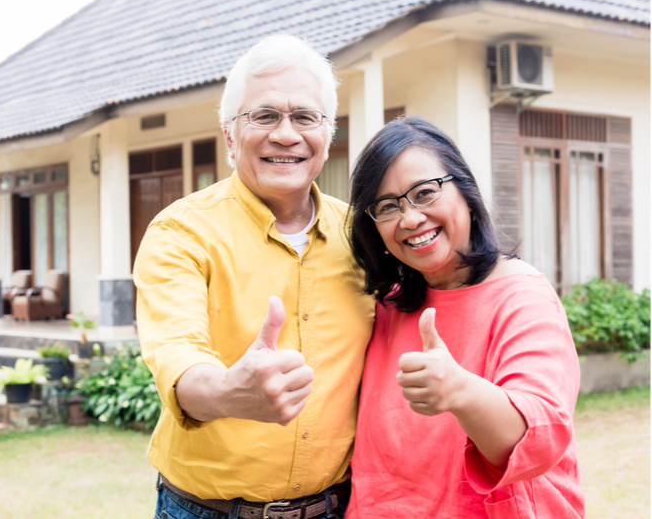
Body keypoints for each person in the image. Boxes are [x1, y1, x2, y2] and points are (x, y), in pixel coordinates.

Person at [134, 34, 375, 519]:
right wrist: (226, 393)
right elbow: (178, 359)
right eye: (265, 116)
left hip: (339, 506)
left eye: (305, 117)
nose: (286, 135)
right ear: (229, 135)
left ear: (327, 137)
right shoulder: (181, 232)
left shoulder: (365, 236)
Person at [345, 116, 585, 518]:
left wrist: (459, 391)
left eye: (424, 193)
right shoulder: (386, 304)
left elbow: (537, 439)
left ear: (466, 191)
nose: (410, 219)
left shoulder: (521, 295)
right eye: (388, 206)